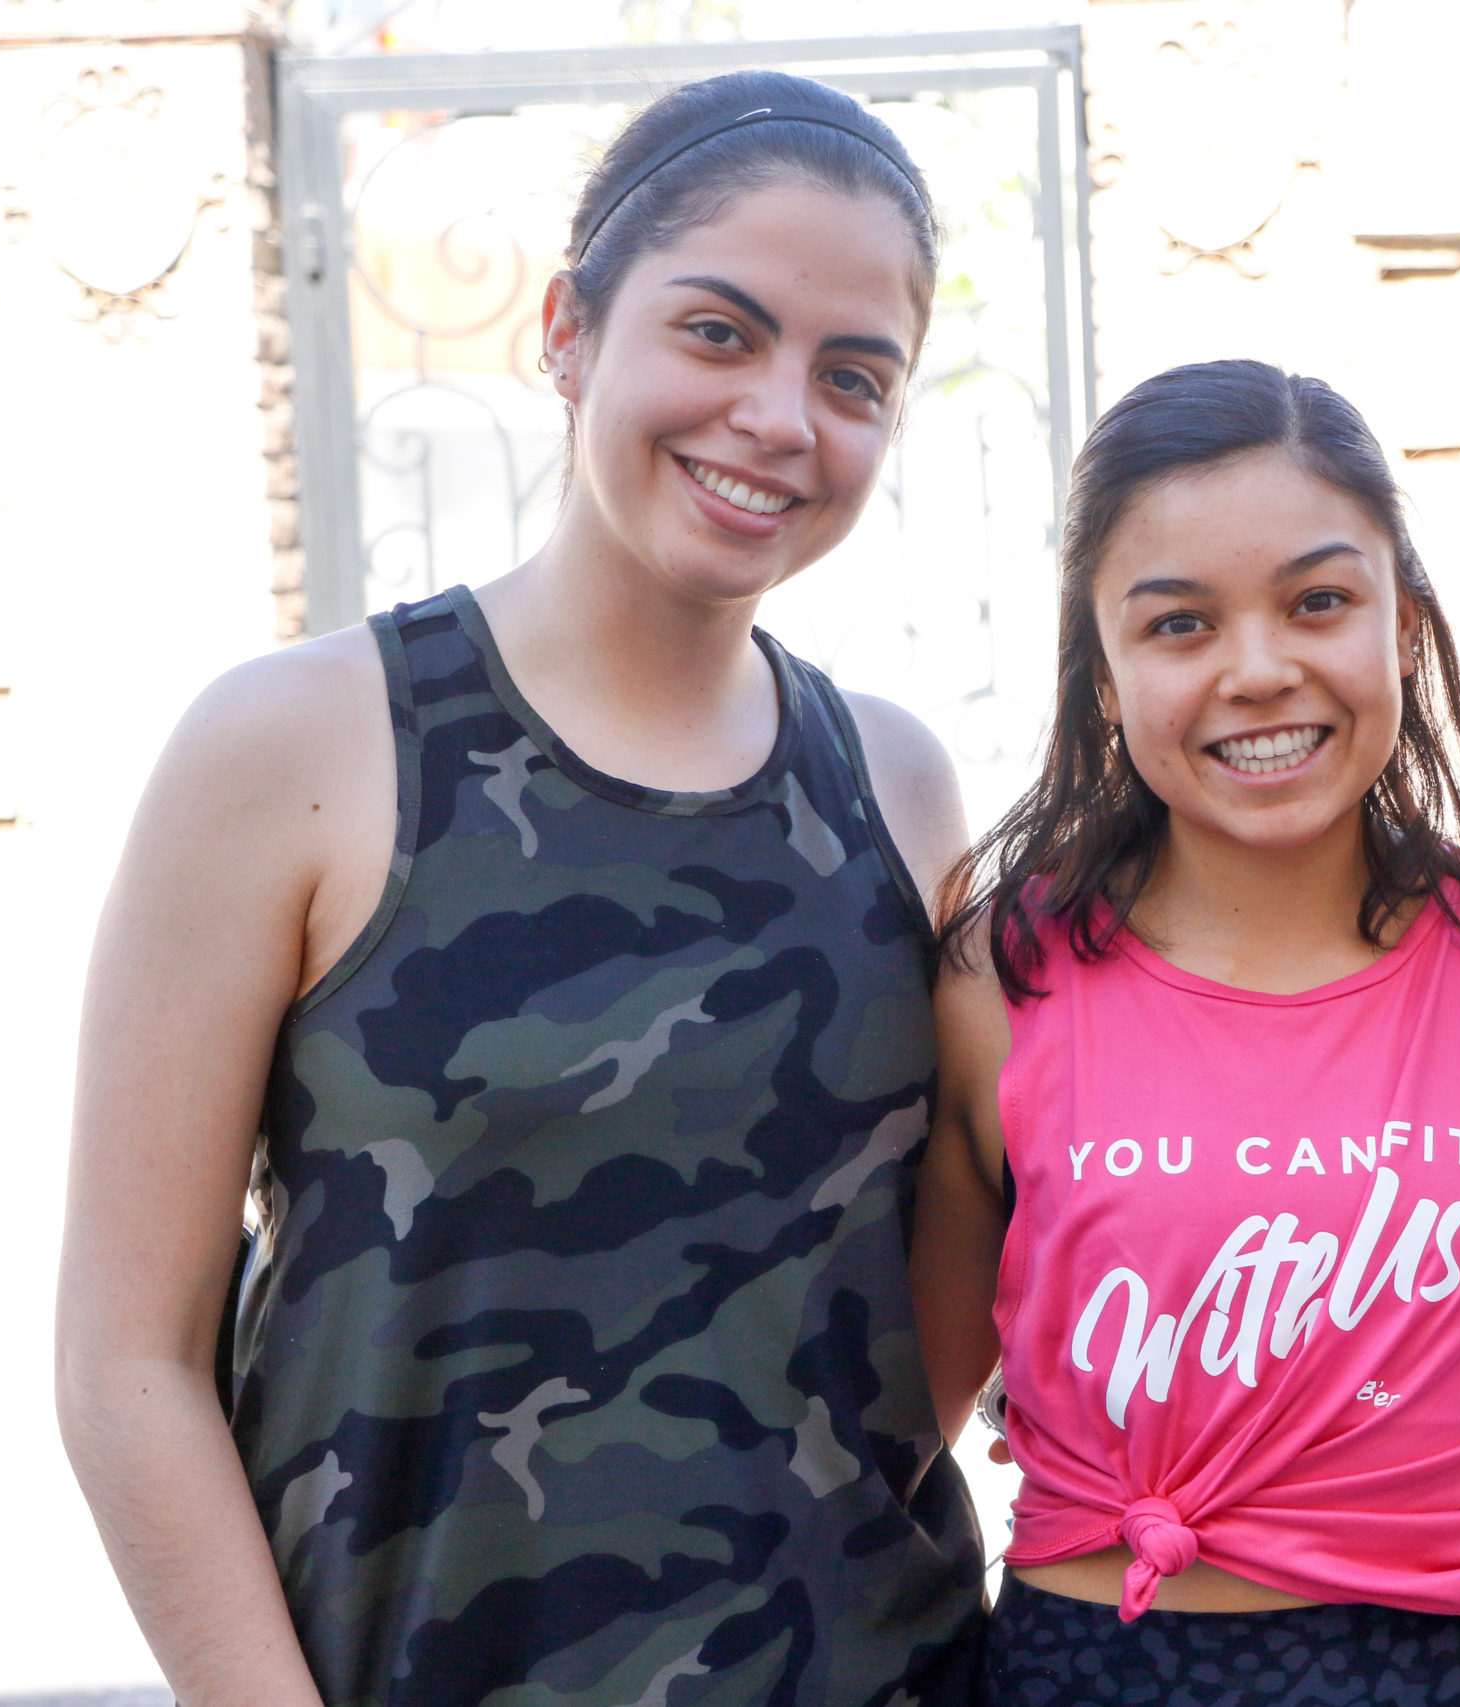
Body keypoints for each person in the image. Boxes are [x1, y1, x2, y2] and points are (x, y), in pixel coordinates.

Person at [56, 72, 987, 1707]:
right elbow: (126, 1364)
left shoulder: (899, 785)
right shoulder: (294, 747)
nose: (781, 416)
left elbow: (927, 1324)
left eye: (855, 375)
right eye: (718, 331)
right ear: (566, 329)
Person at [910, 359, 1460, 1707]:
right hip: (1093, 1675)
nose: (1258, 671)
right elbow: (884, 1444)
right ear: (1101, 676)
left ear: (1407, 629)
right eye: (1179, 626)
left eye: (1318, 602)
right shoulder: (991, 986)